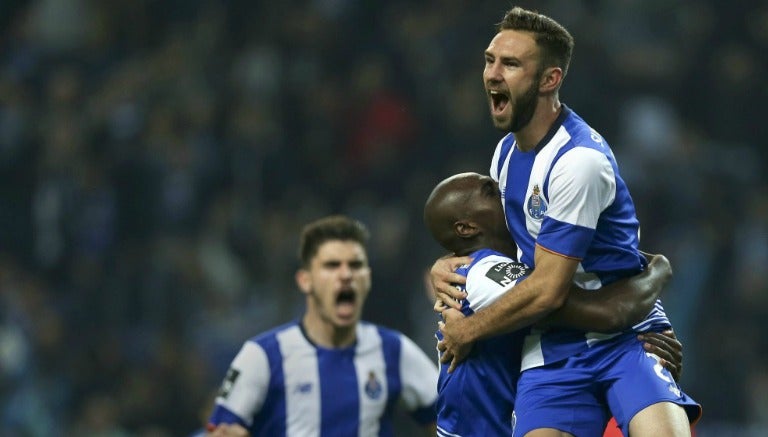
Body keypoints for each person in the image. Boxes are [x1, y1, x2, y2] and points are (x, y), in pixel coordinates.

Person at [430, 6, 701, 437]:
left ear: (549, 79)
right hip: (552, 346)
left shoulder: (579, 162)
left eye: (511, 64)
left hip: (626, 340)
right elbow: (513, 258)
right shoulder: (503, 156)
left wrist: (468, 331)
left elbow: (550, 290)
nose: (492, 74)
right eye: (490, 60)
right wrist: (448, 262)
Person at [424, 172, 684, 437]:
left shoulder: (522, 262)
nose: (505, 191)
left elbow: (595, 273)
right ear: (466, 228)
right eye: (491, 192)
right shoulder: (485, 274)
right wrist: (659, 268)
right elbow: (606, 312)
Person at [206, 215, 438, 437]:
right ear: (305, 280)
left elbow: (451, 420)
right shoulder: (263, 356)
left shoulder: (393, 350)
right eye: (332, 265)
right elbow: (220, 431)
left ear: (367, 277)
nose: (346, 274)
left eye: (356, 265)